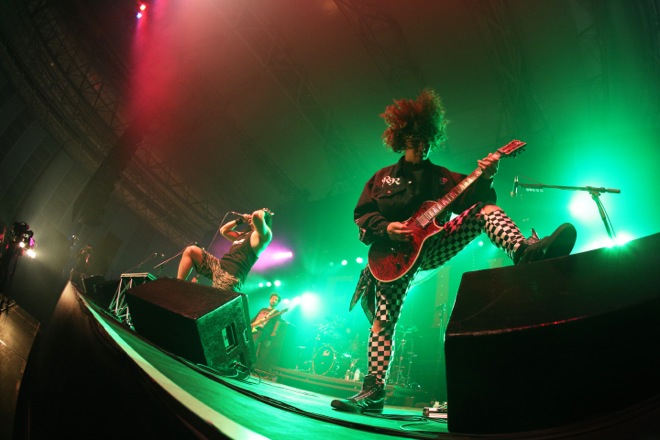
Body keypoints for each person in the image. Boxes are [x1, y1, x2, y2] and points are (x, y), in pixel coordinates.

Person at [330, 89, 577, 414]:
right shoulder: (382, 178)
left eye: (427, 140)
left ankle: (524, 252)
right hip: (391, 257)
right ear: (402, 139)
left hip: (434, 246)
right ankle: (374, 390)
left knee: (484, 210)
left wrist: (488, 175)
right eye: (415, 140)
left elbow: (477, 198)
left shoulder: (444, 179)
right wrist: (386, 227)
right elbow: (362, 214)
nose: (422, 146)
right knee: (383, 320)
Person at [177, 208, 273, 292]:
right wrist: (239, 221)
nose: (251, 216)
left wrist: (264, 211)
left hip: (232, 276)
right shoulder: (243, 235)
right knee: (191, 250)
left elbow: (257, 215)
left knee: (213, 303)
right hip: (220, 266)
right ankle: (178, 286)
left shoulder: (264, 236)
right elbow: (223, 230)